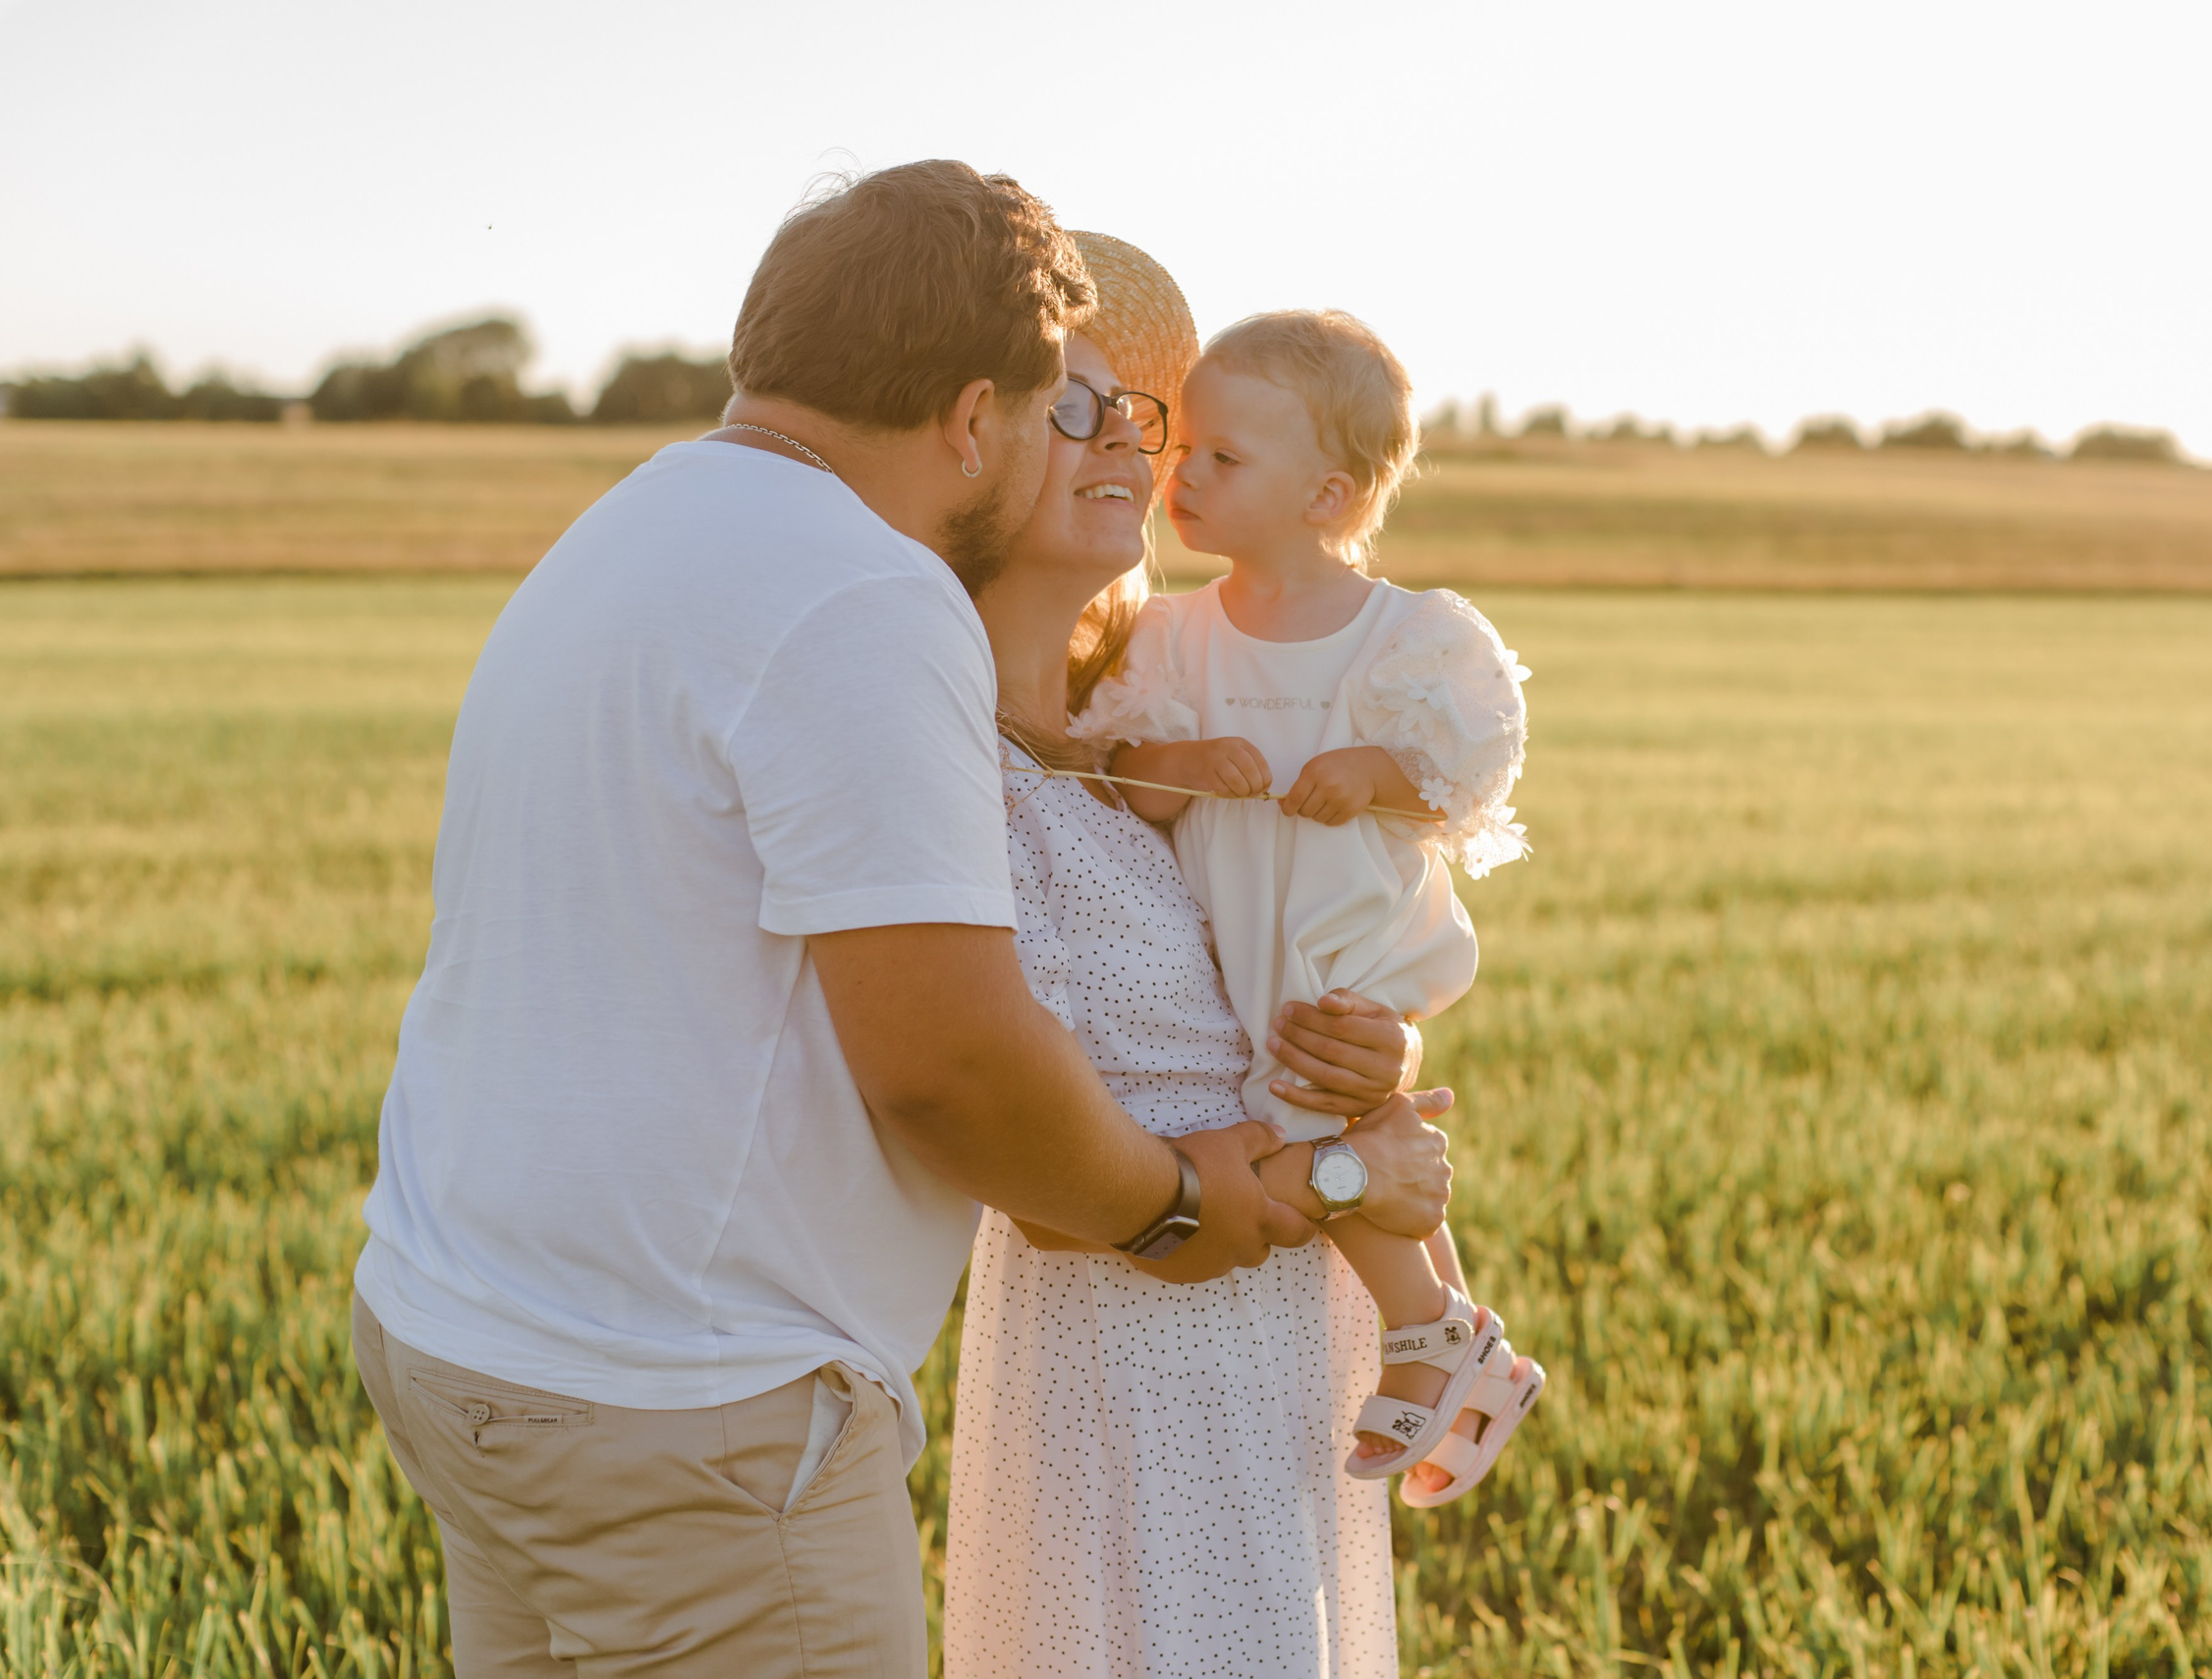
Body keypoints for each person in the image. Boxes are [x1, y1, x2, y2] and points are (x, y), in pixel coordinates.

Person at [349, 164, 1404, 1678]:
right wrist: (1177, 1206)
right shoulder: (865, 593)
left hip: (461, 1332)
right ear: (978, 418)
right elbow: (950, 1063)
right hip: (687, 1407)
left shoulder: (640, 519)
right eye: (1061, 406)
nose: (1094, 441)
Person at [943, 235, 1457, 1679]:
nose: (1129, 438)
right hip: (1122, 1358)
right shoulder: (948, 757)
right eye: (1074, 404)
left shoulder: (1133, 728)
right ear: (969, 446)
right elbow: (1025, 1147)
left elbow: (1260, 958)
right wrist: (1349, 1174)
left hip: (1275, 1340)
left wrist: (1382, 1051)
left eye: (1140, 413)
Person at [1071, 309, 1544, 1504]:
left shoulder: (1408, 636)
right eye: (1190, 448)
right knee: (1340, 1103)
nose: (1185, 473)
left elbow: (1466, 772)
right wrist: (1186, 768)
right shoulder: (1174, 637)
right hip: (1241, 924)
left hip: (1342, 925)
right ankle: (1467, 1343)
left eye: (1227, 459)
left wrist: (1373, 775)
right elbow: (1127, 777)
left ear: (1328, 493)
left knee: (1313, 1084)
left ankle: (1425, 1323)